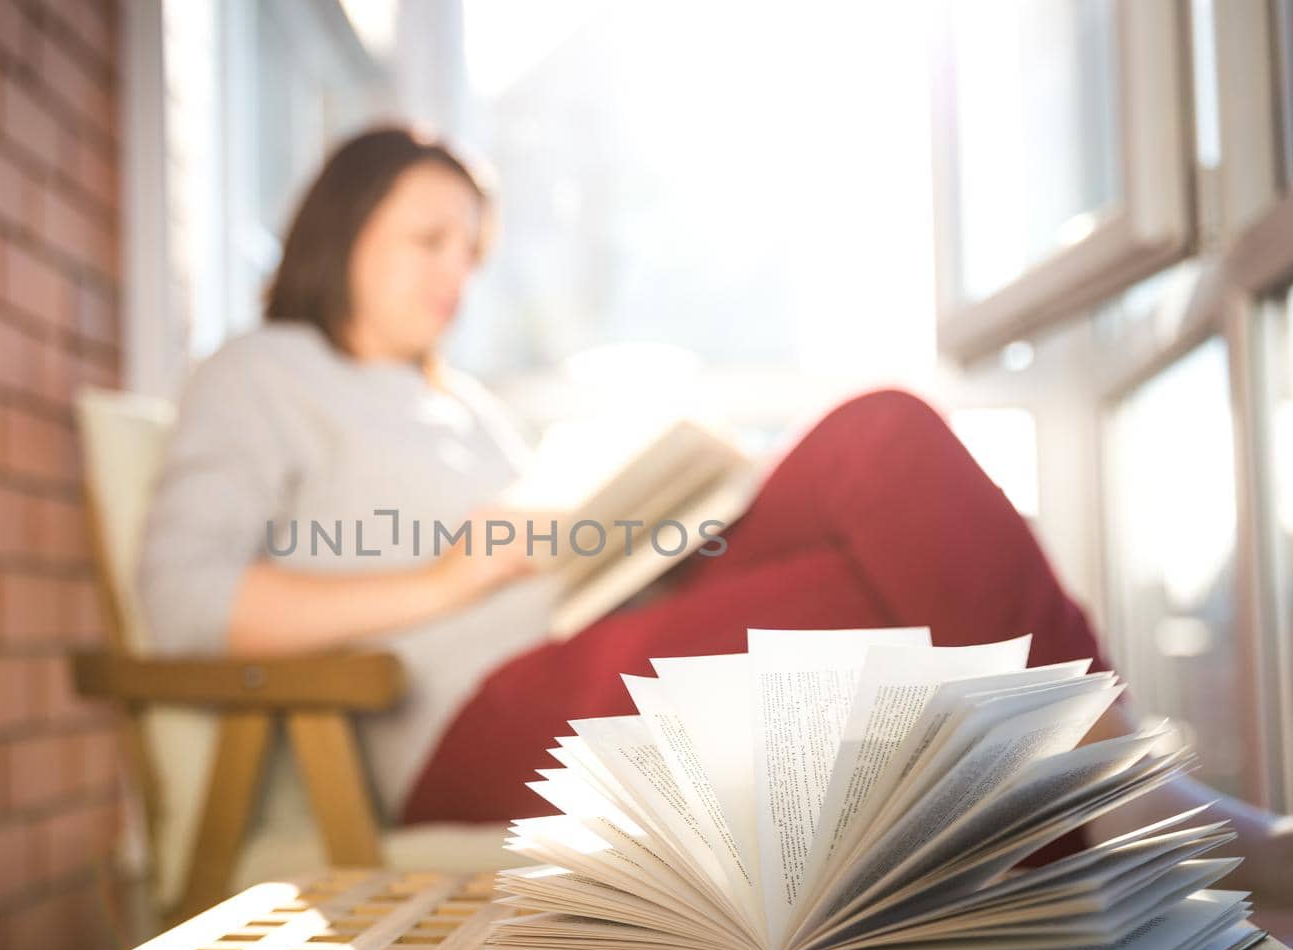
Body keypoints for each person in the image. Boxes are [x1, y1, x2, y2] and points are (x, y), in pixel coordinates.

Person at [138, 124, 1291, 907]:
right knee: (878, 601)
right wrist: (451, 576)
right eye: (426, 241)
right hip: (470, 721)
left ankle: (1111, 781)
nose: (456, 275)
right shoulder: (263, 371)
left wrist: (665, 512)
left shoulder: (463, 402)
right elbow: (181, 601)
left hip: (590, 622)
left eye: (470, 252)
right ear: (343, 234)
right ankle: (1135, 810)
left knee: (875, 436)